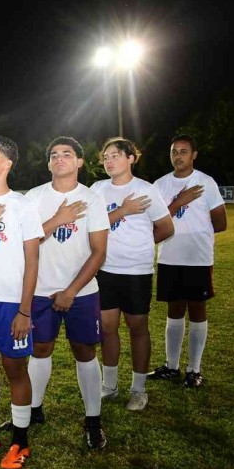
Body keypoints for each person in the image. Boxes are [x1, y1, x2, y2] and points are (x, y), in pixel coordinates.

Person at [24, 136, 110, 449]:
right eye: (54, 154)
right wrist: (57, 220)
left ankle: (93, 419)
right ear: (48, 163)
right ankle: (33, 410)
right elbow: (27, 242)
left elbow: (99, 252)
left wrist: (71, 291)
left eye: (67, 154)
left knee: (84, 351)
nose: (59, 158)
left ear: (79, 162)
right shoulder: (34, 197)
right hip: (40, 290)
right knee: (40, 349)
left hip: (82, 292)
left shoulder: (92, 199)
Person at [0, 135, 43, 469]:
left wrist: (24, 310)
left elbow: (32, 261)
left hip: (10, 303)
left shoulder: (23, 205)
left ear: (7, 164)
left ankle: (20, 439)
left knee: (15, 369)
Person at [89, 138, 174, 411]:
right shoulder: (97, 189)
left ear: (131, 158)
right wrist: (123, 211)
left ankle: (138, 390)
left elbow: (166, 227)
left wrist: (142, 246)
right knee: (107, 328)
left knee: (138, 327)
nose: (109, 161)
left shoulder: (145, 190)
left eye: (115, 155)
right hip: (105, 269)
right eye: (106, 157)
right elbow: (92, 224)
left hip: (137, 271)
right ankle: (110, 386)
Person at [149, 134, 227, 387]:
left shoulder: (206, 182)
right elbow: (154, 223)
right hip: (170, 256)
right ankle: (171, 366)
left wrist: (196, 233)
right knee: (173, 310)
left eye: (183, 151)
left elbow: (220, 222)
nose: (178, 156)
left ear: (194, 155)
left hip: (197, 257)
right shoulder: (160, 185)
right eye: (174, 151)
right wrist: (178, 203)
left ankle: (194, 370)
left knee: (197, 309)